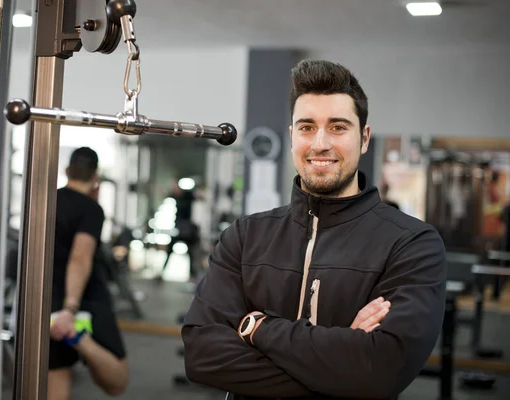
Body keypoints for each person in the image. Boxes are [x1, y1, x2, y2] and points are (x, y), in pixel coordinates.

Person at [181, 60, 447, 400]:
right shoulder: (246, 235)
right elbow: (203, 356)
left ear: (364, 138)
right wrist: (339, 368)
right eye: (307, 127)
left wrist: (258, 327)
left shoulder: (411, 243)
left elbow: (380, 371)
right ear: (292, 137)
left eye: (338, 127)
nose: (320, 143)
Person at [49, 147, 129, 400]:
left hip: (48, 299)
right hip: (83, 299)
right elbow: (80, 257)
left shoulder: (48, 200)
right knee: (117, 381)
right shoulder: (91, 209)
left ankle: (71, 335)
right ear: (95, 176)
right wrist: (70, 309)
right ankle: (78, 338)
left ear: (67, 171)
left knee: (56, 377)